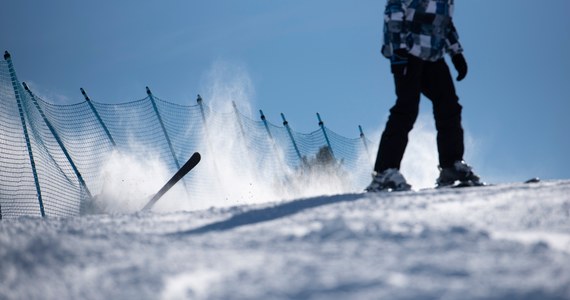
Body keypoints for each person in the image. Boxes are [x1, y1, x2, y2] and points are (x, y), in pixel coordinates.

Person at [366, 0, 481, 192]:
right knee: (407, 107)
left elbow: (444, 23)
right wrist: (398, 50)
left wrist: (456, 53)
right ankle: (385, 172)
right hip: (408, 50)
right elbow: (394, 10)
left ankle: (451, 166)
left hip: (433, 55)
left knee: (449, 106)